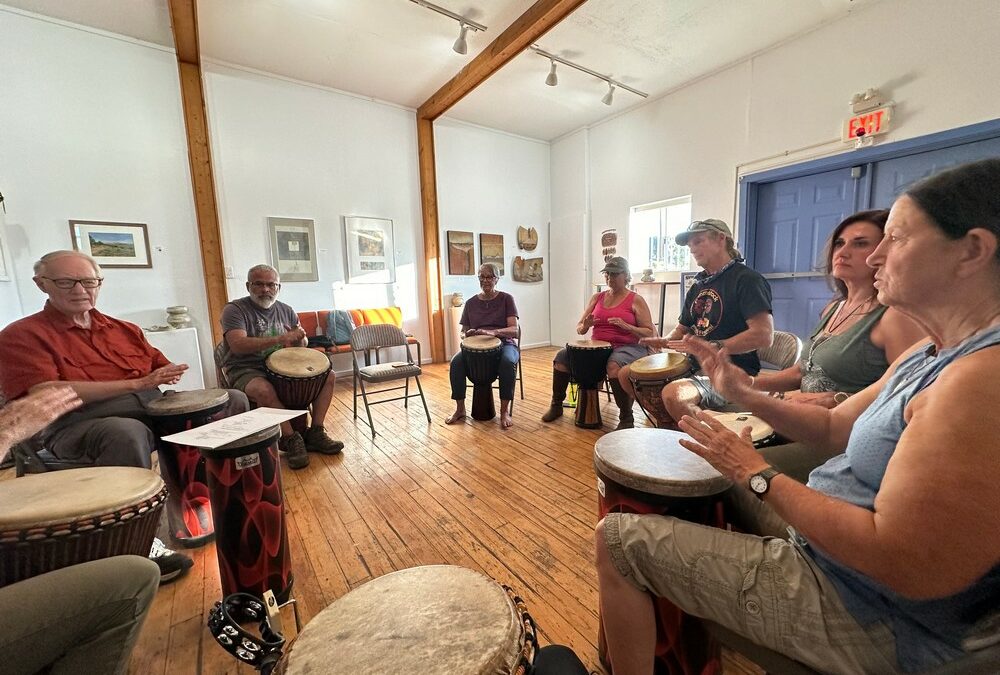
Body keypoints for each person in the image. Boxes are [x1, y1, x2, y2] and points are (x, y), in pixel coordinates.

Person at [595, 159, 1000, 675]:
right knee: (705, 482)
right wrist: (747, 391)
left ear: (972, 251)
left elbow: (905, 564)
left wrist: (755, 473)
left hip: (869, 610)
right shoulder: (933, 352)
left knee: (617, 539)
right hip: (835, 550)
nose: (874, 255)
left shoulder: (980, 381)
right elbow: (835, 427)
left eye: (894, 238)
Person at [0, 249, 247, 582]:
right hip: (75, 422)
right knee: (124, 432)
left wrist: (166, 373)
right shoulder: (21, 335)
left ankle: (229, 499)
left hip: (150, 406)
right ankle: (139, 542)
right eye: (66, 282)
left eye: (89, 282)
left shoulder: (123, 329)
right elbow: (47, 393)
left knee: (230, 399)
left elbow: (158, 366)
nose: (80, 290)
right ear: (41, 284)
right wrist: (137, 382)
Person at [0, 386, 161, 675]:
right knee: (132, 578)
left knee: (201, 409)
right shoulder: (20, 341)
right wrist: (7, 433)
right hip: (79, 427)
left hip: (136, 408)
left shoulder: (115, 338)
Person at [749, 209, 924, 408]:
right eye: (839, 243)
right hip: (809, 423)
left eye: (860, 243)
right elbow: (803, 371)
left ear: (884, 253)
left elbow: (911, 393)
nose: (843, 252)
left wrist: (838, 399)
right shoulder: (833, 308)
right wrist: (749, 383)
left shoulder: (893, 316)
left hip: (846, 434)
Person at [622, 219, 773, 422]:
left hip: (730, 371)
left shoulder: (747, 280)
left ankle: (708, 442)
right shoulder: (698, 286)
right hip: (693, 366)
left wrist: (712, 346)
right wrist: (664, 341)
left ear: (721, 239)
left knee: (673, 394)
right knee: (626, 374)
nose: (692, 249)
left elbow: (763, 335)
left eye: (698, 241)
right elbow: (682, 328)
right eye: (690, 244)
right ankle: (671, 428)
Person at [220, 264, 343, 470]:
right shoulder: (234, 310)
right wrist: (280, 338)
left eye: (271, 285)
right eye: (259, 284)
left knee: (328, 375)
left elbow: (300, 345)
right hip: (245, 367)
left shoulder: (286, 310)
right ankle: (290, 439)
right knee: (263, 389)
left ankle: (316, 431)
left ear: (279, 287)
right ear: (248, 285)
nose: (265, 289)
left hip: (283, 366)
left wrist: (299, 339)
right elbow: (238, 345)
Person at [541, 256, 656, 430]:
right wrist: (585, 325)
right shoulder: (597, 297)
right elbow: (580, 328)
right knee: (561, 358)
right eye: (607, 274)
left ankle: (626, 417)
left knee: (613, 365)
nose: (609, 277)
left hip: (628, 347)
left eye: (614, 274)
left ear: (625, 275)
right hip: (598, 347)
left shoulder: (635, 299)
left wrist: (627, 326)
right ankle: (556, 405)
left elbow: (649, 331)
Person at [445, 263, 520, 429]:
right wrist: (467, 335)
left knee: (507, 363)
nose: (486, 280)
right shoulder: (471, 303)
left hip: (504, 344)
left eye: (490, 276)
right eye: (482, 276)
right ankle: (460, 409)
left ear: (497, 279)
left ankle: (505, 411)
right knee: (456, 363)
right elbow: (463, 332)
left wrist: (494, 333)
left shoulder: (506, 299)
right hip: (476, 349)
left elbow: (514, 330)